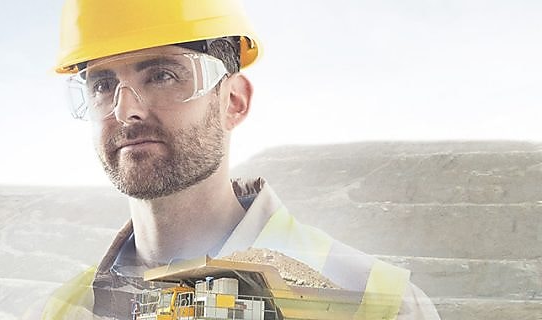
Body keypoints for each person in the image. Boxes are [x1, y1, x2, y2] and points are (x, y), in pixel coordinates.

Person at [35, 0, 441, 319]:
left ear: (234, 101)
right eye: (103, 85)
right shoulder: (63, 311)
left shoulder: (370, 304)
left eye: (161, 75)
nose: (126, 111)